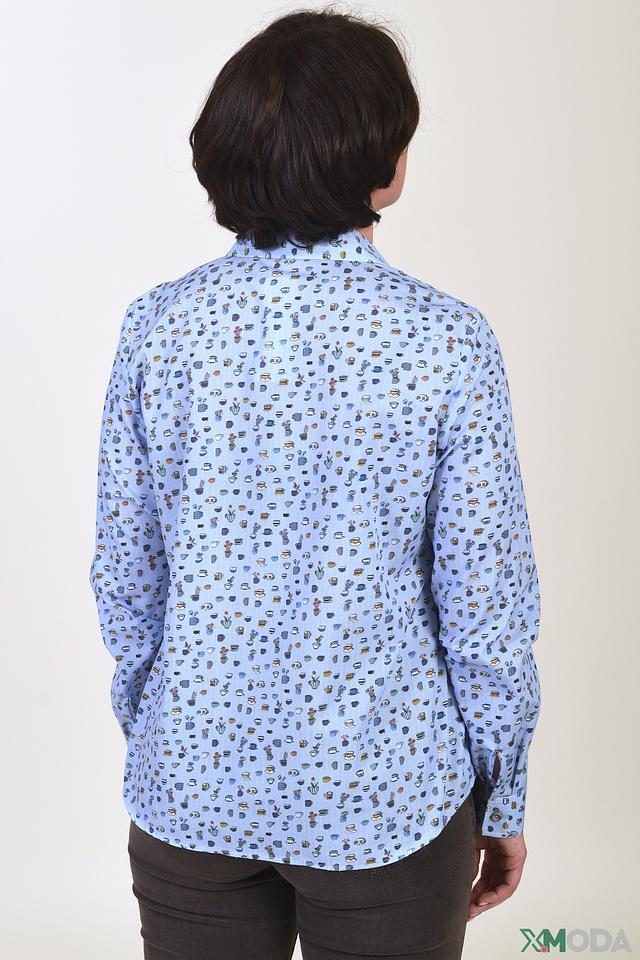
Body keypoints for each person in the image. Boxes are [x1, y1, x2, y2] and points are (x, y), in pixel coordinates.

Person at [88, 7, 542, 959]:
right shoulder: (446, 341)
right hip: (388, 801)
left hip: (192, 790)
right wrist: (500, 794)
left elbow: (127, 576)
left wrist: (168, 728)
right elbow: (487, 607)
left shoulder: (158, 328)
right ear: (382, 157)